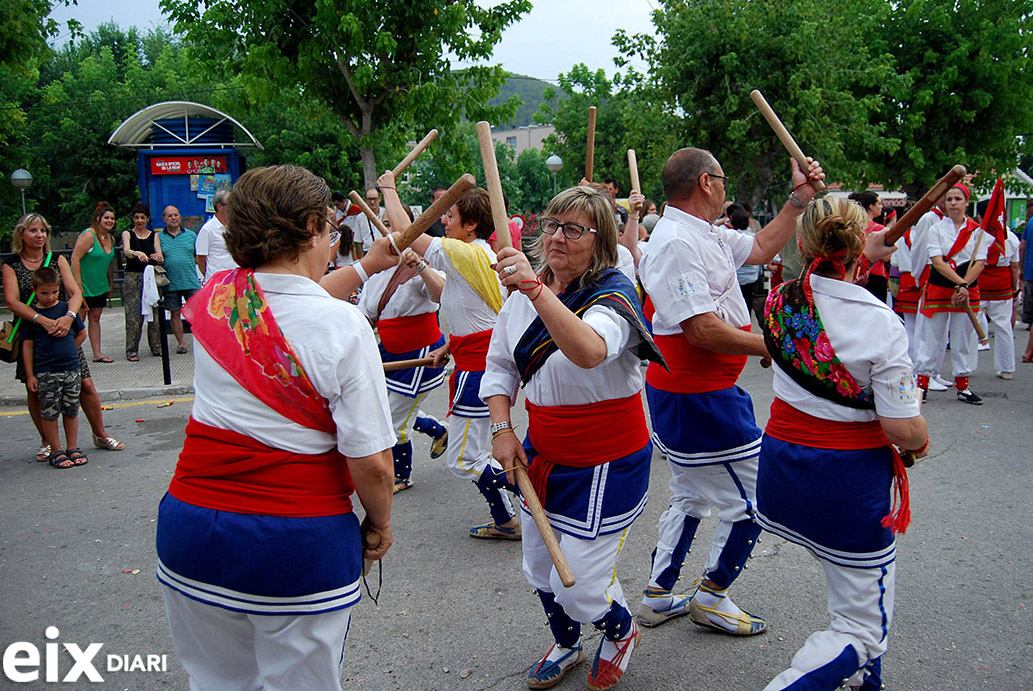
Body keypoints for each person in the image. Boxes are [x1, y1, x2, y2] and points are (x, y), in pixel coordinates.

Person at [156, 164, 396, 691]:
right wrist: (379, 523)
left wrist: (365, 268)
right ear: (312, 225)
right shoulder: (344, 327)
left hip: (191, 531)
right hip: (294, 541)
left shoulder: (218, 297)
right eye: (330, 228)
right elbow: (374, 465)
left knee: (217, 683)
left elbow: (288, 298)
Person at [634, 147, 824, 636]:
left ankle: (658, 594)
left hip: (697, 392)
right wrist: (775, 344)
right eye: (722, 177)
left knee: (691, 494)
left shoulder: (706, 233)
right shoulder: (676, 241)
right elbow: (699, 330)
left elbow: (759, 249)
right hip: (696, 394)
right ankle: (713, 595)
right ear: (705, 183)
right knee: (762, 494)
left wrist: (797, 201)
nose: (725, 185)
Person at [483, 185, 664, 691]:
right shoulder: (522, 296)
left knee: (582, 586)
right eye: (552, 225)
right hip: (543, 454)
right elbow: (498, 370)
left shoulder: (614, 294)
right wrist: (502, 429)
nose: (557, 237)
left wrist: (536, 293)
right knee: (540, 569)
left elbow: (589, 351)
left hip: (609, 460)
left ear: (600, 240)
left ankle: (620, 630)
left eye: (574, 229)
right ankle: (567, 643)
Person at [756, 196, 928, 691]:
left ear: (805, 241)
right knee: (863, 628)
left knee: (851, 586)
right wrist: (922, 437)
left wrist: (862, 259)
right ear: (859, 246)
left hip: (784, 473)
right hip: (844, 482)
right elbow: (902, 430)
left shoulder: (780, 300)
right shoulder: (881, 322)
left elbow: (827, 298)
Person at [378, 170, 520, 539]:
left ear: (470, 225)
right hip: (476, 362)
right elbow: (461, 306)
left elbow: (408, 231)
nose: (442, 219)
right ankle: (507, 519)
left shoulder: (466, 252)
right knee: (470, 457)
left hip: (479, 372)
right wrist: (448, 345)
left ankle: (533, 500)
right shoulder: (475, 255)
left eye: (450, 215)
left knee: (464, 460)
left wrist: (389, 190)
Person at [3, 213, 124, 461]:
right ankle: (49, 442)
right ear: (22, 234)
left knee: (86, 385)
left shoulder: (56, 259)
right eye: (33, 231)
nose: (39, 236)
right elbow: (12, 301)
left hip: (62, 332)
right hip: (34, 336)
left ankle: (99, 433)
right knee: (36, 389)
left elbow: (75, 292)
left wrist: (69, 316)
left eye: (43, 231)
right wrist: (41, 319)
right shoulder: (12, 265)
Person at [357, 219, 450, 494]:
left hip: (420, 354)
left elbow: (442, 293)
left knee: (393, 422)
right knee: (389, 408)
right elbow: (366, 313)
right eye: (383, 224)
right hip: (388, 350)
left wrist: (421, 267)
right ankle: (436, 429)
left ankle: (402, 475)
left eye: (392, 224)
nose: (387, 229)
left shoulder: (417, 266)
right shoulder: (375, 268)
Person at [913, 183, 989, 404]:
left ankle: (963, 386)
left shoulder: (977, 231)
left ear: (966, 202)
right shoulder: (936, 228)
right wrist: (961, 283)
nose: (953, 203)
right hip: (940, 287)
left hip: (967, 288)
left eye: (957, 199)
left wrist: (964, 286)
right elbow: (937, 261)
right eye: (949, 199)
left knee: (963, 337)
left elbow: (980, 262)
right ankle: (922, 385)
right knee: (931, 337)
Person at [22, 266, 89, 469]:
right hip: (46, 371)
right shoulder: (32, 315)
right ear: (34, 290)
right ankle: (56, 448)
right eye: (44, 293)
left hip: (71, 368)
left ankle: (72, 446)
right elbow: (27, 345)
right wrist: (30, 375)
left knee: (71, 409)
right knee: (49, 412)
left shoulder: (66, 310)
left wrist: (70, 348)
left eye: (54, 292)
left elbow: (81, 333)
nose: (50, 297)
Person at [71, 202, 117, 362]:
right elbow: (75, 259)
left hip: (100, 285)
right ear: (98, 218)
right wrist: (77, 285)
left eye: (112, 218)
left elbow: (109, 262)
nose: (110, 221)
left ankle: (97, 353)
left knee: (95, 318)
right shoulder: (88, 235)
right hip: (83, 285)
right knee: (79, 319)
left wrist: (110, 283)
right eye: (106, 218)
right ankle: (72, 352)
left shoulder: (110, 238)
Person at [978, 221, 1020, 379]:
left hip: (981, 281)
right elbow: (1014, 266)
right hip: (1001, 285)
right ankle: (1007, 367)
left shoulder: (979, 235)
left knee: (970, 325)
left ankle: (967, 366)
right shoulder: (1012, 238)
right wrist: (1013, 288)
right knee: (1004, 326)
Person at [121, 203, 163, 360]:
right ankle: (131, 349)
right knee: (133, 314)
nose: (139, 221)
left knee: (155, 312)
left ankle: (156, 346)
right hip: (133, 276)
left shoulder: (154, 235)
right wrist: (136, 253)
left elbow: (159, 255)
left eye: (142, 218)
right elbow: (126, 250)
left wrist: (158, 257)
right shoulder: (128, 234)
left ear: (147, 219)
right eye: (136, 217)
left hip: (151, 276)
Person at [157, 205, 200, 354]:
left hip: (191, 281)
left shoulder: (191, 235)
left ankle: (201, 341)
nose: (173, 218)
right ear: (164, 219)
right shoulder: (159, 238)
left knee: (198, 312)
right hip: (171, 282)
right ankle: (181, 343)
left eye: (176, 215)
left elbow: (198, 256)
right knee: (175, 313)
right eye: (169, 216)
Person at [848, 191, 889, 302]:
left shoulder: (851, 226)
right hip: (875, 274)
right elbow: (886, 257)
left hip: (854, 273)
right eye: (879, 203)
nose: (881, 206)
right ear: (871, 206)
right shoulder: (879, 229)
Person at [195, 189, 237, 284]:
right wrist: (210, 276)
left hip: (235, 279)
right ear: (219, 206)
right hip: (217, 282)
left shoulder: (235, 226)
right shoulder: (208, 229)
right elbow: (200, 258)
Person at [1022, 206, 1033, 362]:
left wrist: (1022, 267)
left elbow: (1022, 246)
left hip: (1030, 273)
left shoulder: (1030, 222)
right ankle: (1029, 352)